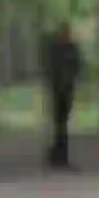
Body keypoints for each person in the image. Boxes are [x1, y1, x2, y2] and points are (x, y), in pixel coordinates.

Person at [41, 23, 82, 170]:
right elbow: (49, 68)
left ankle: (59, 155)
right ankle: (58, 156)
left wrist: (73, 79)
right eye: (65, 33)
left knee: (63, 124)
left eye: (68, 33)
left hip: (67, 90)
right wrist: (54, 83)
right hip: (57, 90)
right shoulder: (55, 49)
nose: (67, 35)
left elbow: (78, 66)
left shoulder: (72, 48)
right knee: (60, 125)